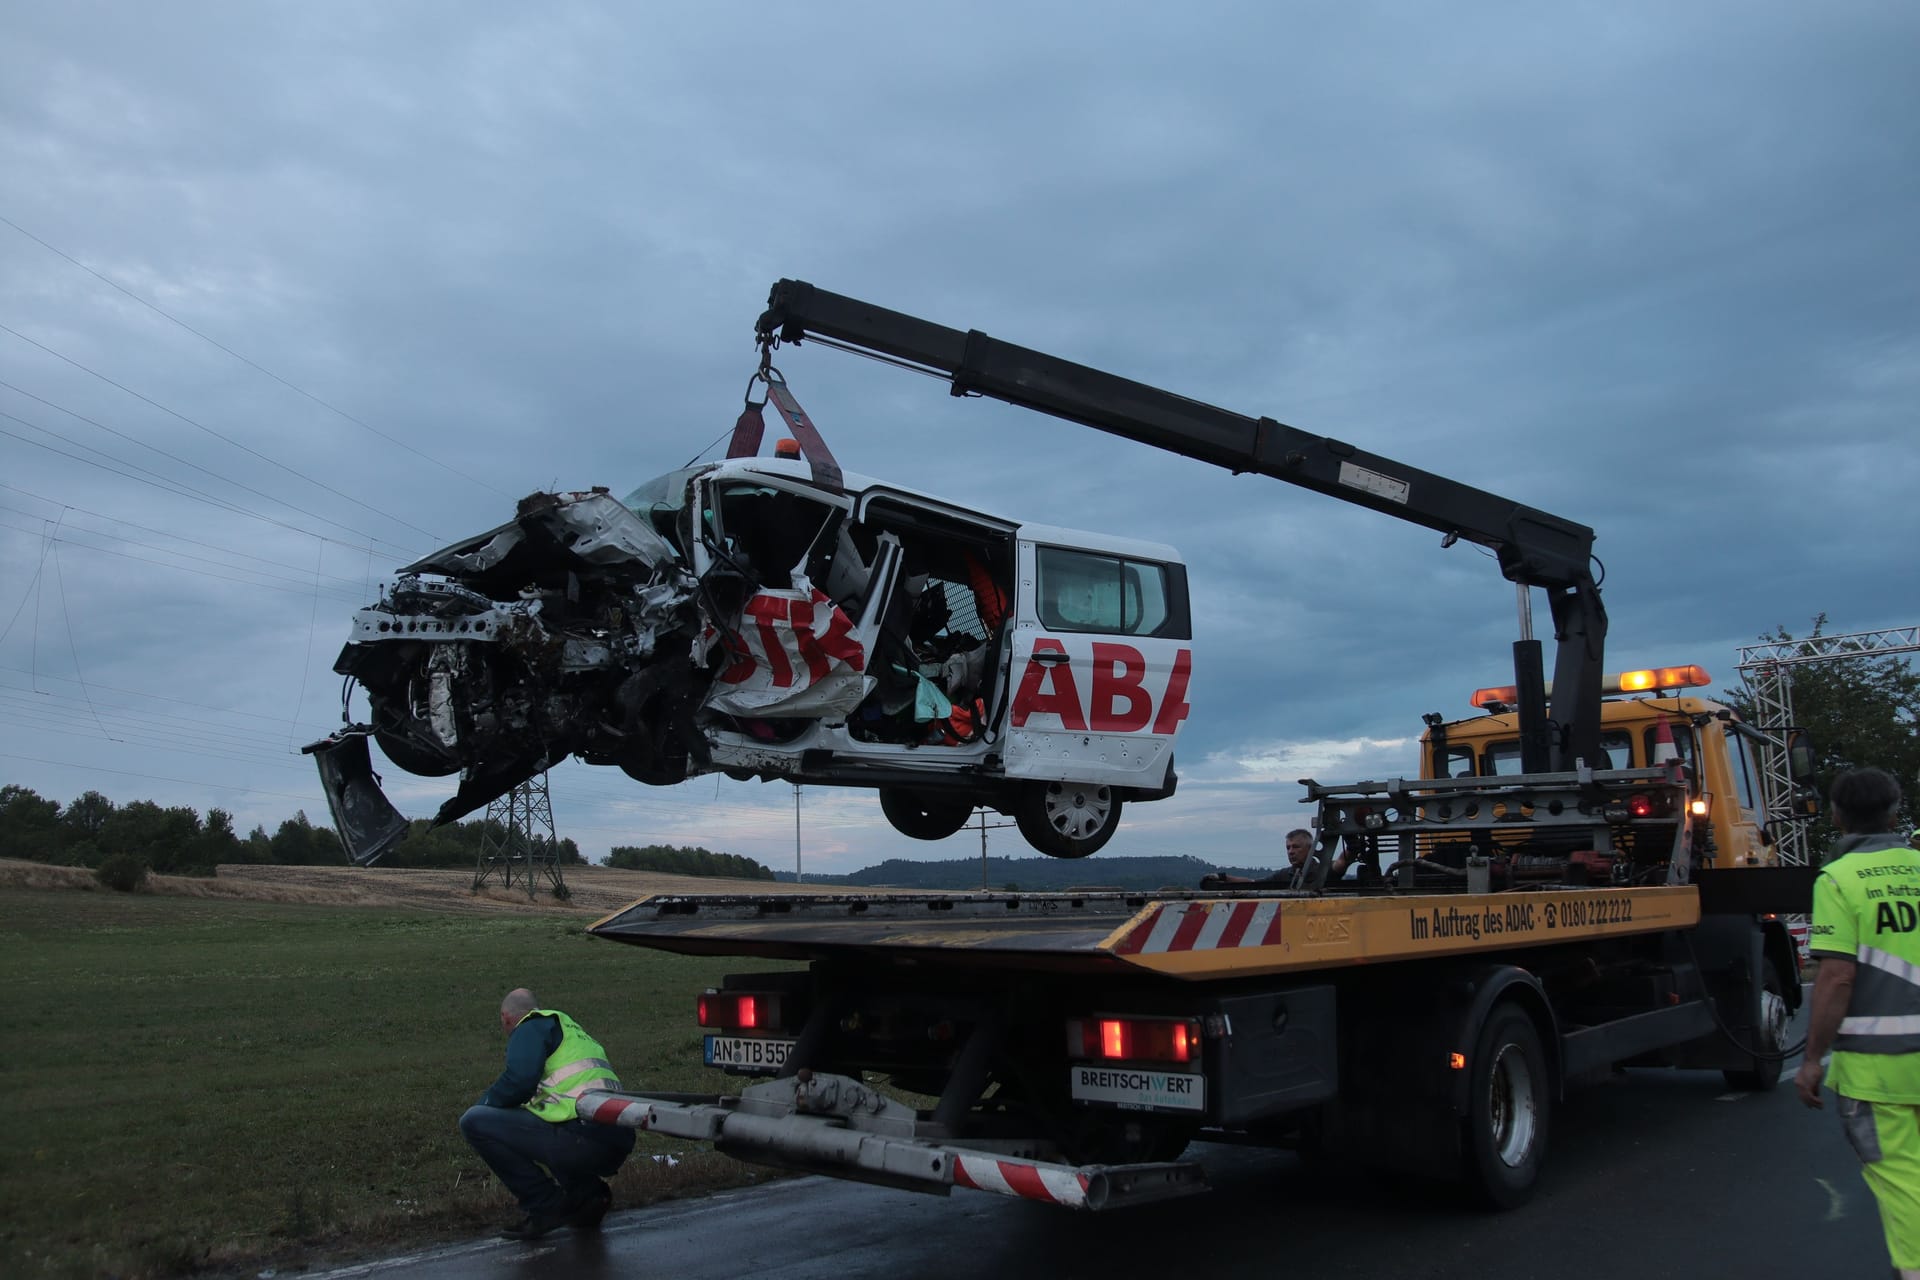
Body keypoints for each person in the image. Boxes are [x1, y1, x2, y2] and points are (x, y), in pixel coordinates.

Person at [1797, 767, 1920, 1279]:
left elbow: (1837, 978)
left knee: (1902, 1179)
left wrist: (1810, 1059)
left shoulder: (1839, 879)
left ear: (1836, 816)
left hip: (1878, 1070)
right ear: (1895, 813)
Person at [460, 988, 637, 1240]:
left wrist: (484, 1105)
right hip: (614, 1136)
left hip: (581, 1137)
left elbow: (518, 1082)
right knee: (547, 1120)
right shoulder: (570, 1030)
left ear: (506, 1018)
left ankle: (544, 1205)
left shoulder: (530, 1026)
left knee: (473, 1122)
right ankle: (588, 1198)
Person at [1202, 829, 1350, 890]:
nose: (1291, 852)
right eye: (1288, 848)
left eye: (1296, 847)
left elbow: (1340, 863)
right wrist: (1223, 877)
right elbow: (1254, 884)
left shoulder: (1322, 870)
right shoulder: (1285, 875)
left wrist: (1352, 847)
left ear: (1310, 849)